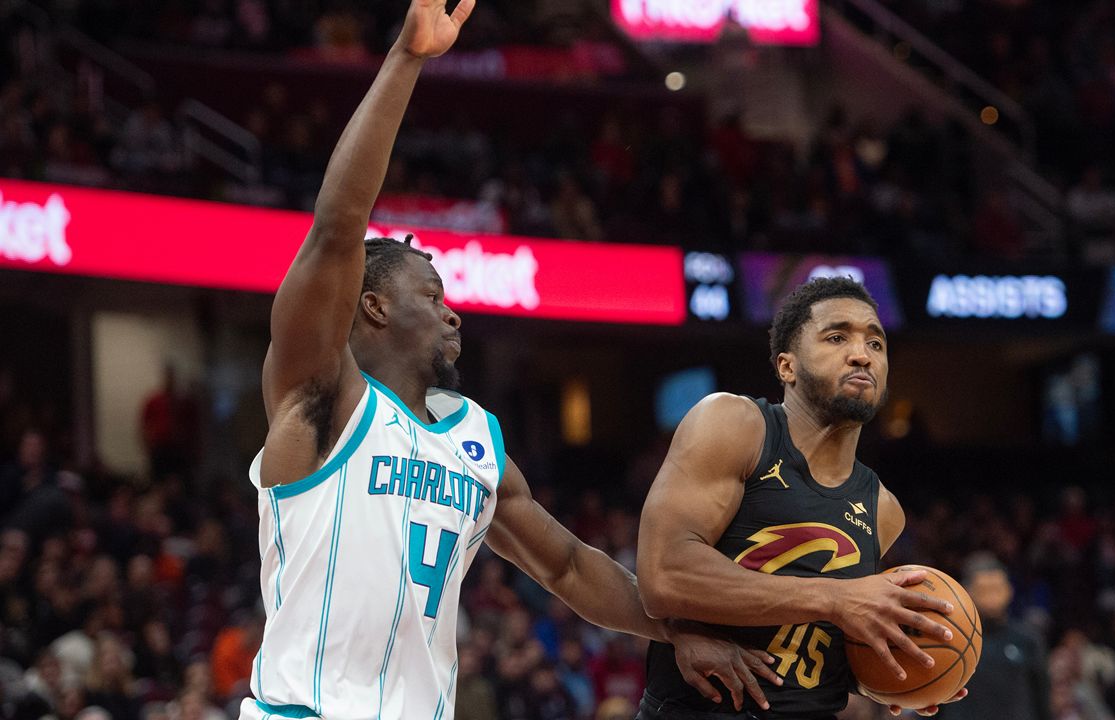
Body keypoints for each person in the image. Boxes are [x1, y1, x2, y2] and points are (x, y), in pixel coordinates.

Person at [238, 2, 775, 719]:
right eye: (432, 296)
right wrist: (406, 58)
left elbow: (569, 565)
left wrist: (675, 631)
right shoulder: (323, 399)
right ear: (373, 306)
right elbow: (338, 227)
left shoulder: (475, 439)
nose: (453, 312)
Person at [637, 277, 967, 719]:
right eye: (837, 337)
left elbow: (813, 639)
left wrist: (894, 674)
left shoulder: (884, 509)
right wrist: (836, 598)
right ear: (786, 367)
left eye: (876, 343)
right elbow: (664, 577)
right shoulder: (736, 425)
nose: (861, 354)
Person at [937, 553, 1050, 720]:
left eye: (996, 589)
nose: (992, 597)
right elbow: (933, 702)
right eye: (984, 590)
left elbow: (1042, 702)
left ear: (1009, 590)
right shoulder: (948, 639)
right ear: (967, 592)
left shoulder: (1028, 639)